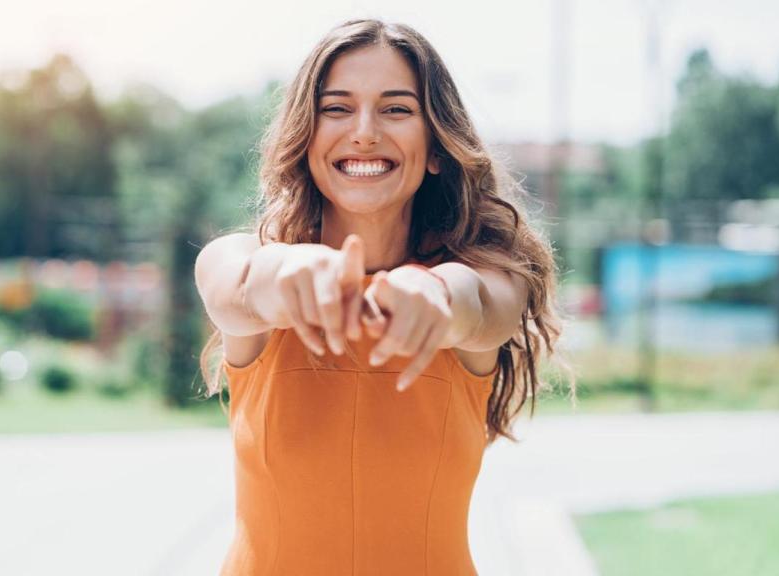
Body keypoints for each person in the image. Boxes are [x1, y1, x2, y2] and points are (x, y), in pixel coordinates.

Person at [194, 18, 572, 576]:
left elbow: (480, 309)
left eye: (396, 109)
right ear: (307, 138)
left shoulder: (488, 276)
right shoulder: (239, 258)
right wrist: (293, 272)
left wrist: (433, 292)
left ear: (437, 147)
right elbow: (240, 289)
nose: (365, 131)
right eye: (337, 109)